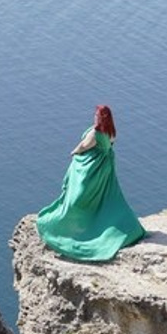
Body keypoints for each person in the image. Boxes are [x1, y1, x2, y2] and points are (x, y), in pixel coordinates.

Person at [36, 105, 146, 261]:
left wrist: (73, 152)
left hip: (92, 169)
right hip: (105, 168)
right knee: (106, 197)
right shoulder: (112, 131)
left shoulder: (96, 133)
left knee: (79, 197)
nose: (95, 116)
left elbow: (83, 146)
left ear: (102, 118)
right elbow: (108, 146)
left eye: (97, 115)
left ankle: (63, 226)